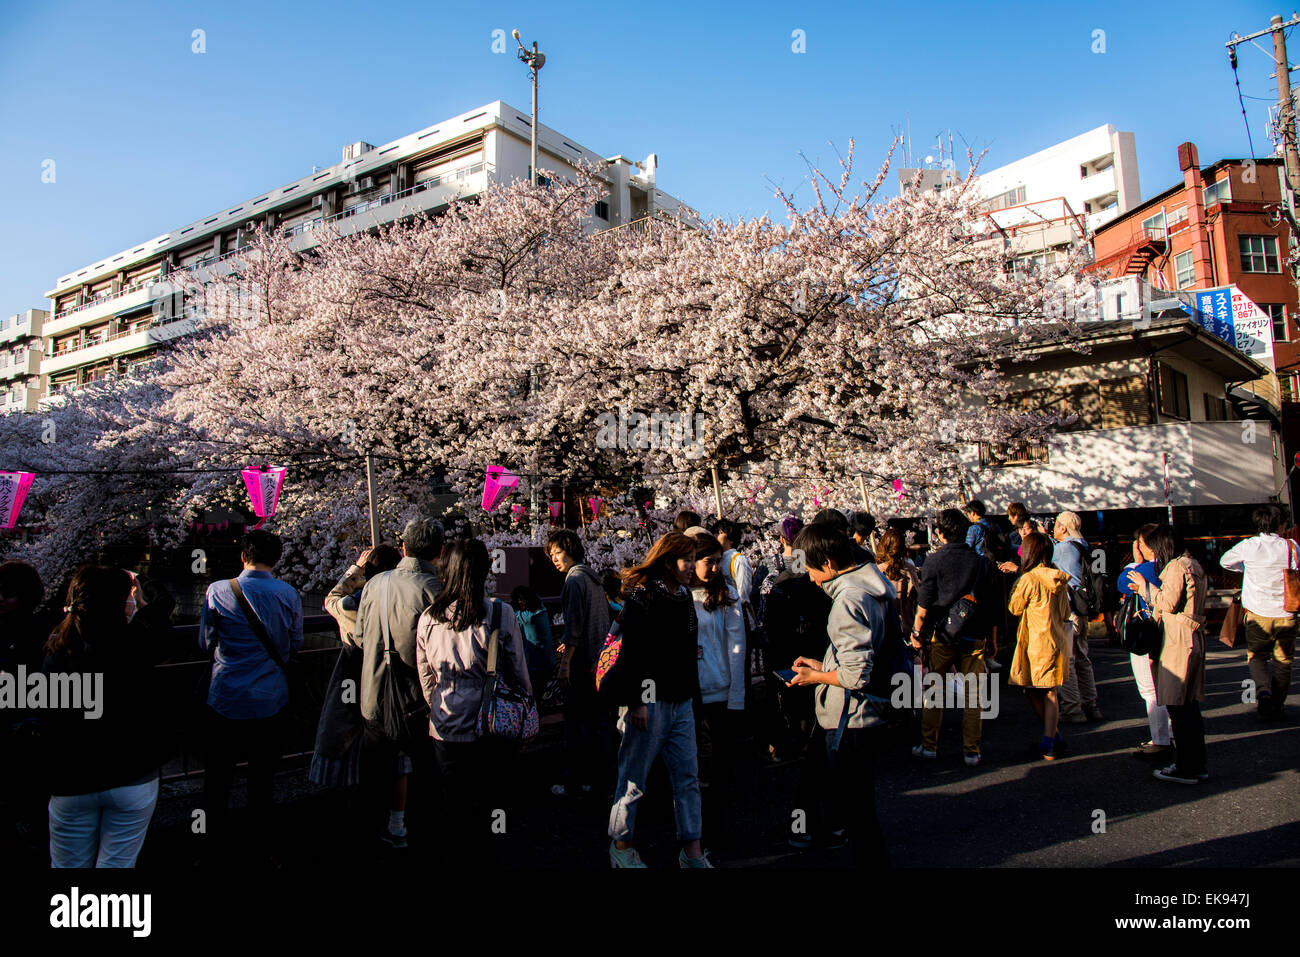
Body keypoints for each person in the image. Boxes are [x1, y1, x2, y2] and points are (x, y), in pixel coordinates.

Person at [42, 567, 176, 867]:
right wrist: (143, 585)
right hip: (131, 773)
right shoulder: (138, 641)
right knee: (117, 865)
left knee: (67, 865)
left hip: (71, 776)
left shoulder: (57, 650)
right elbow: (163, 605)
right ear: (122, 603)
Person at [416, 539, 532, 861]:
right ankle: (492, 849)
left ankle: (459, 851)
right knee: (493, 796)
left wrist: (437, 705)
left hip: (446, 722)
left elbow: (426, 674)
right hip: (490, 723)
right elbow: (519, 671)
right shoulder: (499, 612)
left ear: (446, 571)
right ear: (484, 572)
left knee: (455, 799)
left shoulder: (429, 617)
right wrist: (524, 712)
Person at [786, 522, 893, 865]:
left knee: (858, 814)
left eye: (812, 569)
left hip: (852, 721)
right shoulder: (870, 591)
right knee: (862, 810)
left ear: (829, 563)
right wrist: (822, 663)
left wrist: (815, 676)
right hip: (867, 716)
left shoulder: (847, 601)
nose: (811, 578)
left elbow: (856, 675)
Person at [607, 532, 712, 868]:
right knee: (634, 778)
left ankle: (692, 851)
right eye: (687, 560)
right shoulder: (642, 598)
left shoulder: (684, 599)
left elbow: (687, 655)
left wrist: (695, 704)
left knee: (688, 778)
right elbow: (632, 652)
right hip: (649, 702)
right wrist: (636, 701)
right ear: (669, 562)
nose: (692, 568)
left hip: (681, 701)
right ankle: (621, 846)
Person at [199, 530, 303, 861]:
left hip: (226, 695)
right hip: (270, 697)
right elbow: (296, 642)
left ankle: (210, 840)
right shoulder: (288, 593)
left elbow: (205, 641)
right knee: (263, 777)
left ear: (243, 556)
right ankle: (261, 842)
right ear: (276, 559)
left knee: (217, 778)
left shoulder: (217, 590)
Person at [353, 518, 443, 848]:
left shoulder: (374, 585)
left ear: (403, 547)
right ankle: (411, 832)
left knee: (376, 770)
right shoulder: (435, 590)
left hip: (373, 694)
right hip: (418, 700)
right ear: (440, 552)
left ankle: (374, 831)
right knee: (423, 769)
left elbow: (361, 637)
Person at [311, 545, 401, 790]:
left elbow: (331, 600)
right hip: (391, 676)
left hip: (354, 671)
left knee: (349, 731)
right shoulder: (401, 598)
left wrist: (355, 570)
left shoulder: (354, 604)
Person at [1126, 525, 1209, 785]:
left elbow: (1168, 603)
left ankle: (1186, 767)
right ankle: (1196, 764)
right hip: (1193, 635)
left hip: (1177, 638)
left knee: (1178, 705)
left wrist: (1144, 588)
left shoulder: (1175, 566)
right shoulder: (1194, 563)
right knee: (1190, 707)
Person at [911, 508, 986, 766]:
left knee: (934, 690)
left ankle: (929, 745)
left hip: (942, 632)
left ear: (940, 534)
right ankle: (971, 751)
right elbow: (988, 601)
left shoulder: (933, 561)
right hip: (974, 632)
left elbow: (924, 603)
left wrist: (916, 632)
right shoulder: (978, 561)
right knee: (974, 694)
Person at [688, 532, 746, 846]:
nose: (714, 569)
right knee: (691, 765)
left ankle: (715, 830)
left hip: (720, 690)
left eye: (717, 562)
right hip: (688, 692)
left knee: (721, 765)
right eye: (708, 562)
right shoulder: (681, 597)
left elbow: (737, 650)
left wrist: (737, 698)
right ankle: (691, 829)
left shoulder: (728, 596)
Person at [546, 529, 612, 798]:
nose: (554, 560)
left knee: (575, 723)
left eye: (558, 553)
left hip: (582, 662)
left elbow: (574, 625)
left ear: (571, 550)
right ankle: (602, 778)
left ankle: (576, 778)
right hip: (599, 659)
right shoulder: (593, 579)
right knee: (598, 722)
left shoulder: (574, 581)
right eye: (551, 555)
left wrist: (565, 663)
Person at [760, 515, 832, 761]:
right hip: (810, 637)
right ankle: (807, 739)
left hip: (780, 636)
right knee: (806, 692)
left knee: (780, 691)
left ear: (781, 539)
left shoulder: (772, 565)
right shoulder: (811, 567)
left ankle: (780, 742)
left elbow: (761, 601)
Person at [1219, 504, 1296, 721]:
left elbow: (1224, 561)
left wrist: (1248, 568)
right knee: (1284, 661)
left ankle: (1262, 690)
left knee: (1257, 655)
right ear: (1279, 524)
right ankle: (1277, 704)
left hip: (1256, 614)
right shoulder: (1291, 546)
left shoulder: (1249, 546)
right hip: (1286, 612)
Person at [1007, 532, 1071, 760]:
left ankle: (1050, 740)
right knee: (1050, 690)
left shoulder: (1029, 579)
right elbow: (1066, 613)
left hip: (1034, 640)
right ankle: (1053, 737)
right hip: (1056, 638)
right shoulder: (1059, 579)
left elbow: (1014, 608)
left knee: (1035, 689)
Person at [1119, 525, 1171, 760]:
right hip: (1171, 633)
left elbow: (1122, 584)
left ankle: (1160, 738)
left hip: (1147, 632)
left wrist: (1134, 562)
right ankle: (1171, 733)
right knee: (1169, 687)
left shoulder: (1146, 569)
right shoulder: (1174, 566)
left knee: (1151, 689)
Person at [1052, 511, 1102, 723]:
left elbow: (1044, 566)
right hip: (1083, 607)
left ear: (1063, 527)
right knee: (1083, 657)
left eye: (1056, 525)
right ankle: (1091, 704)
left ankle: (1072, 708)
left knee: (1067, 659)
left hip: (1069, 608)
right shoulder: (1084, 545)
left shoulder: (1062, 548)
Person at [875, 526, 919, 646]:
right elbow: (917, 598)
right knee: (913, 663)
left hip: (882, 628)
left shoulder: (875, 571)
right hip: (905, 627)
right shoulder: (909, 569)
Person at [511, 585, 556, 694]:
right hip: (547, 662)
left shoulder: (528, 618)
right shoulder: (542, 611)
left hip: (534, 666)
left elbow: (511, 614)